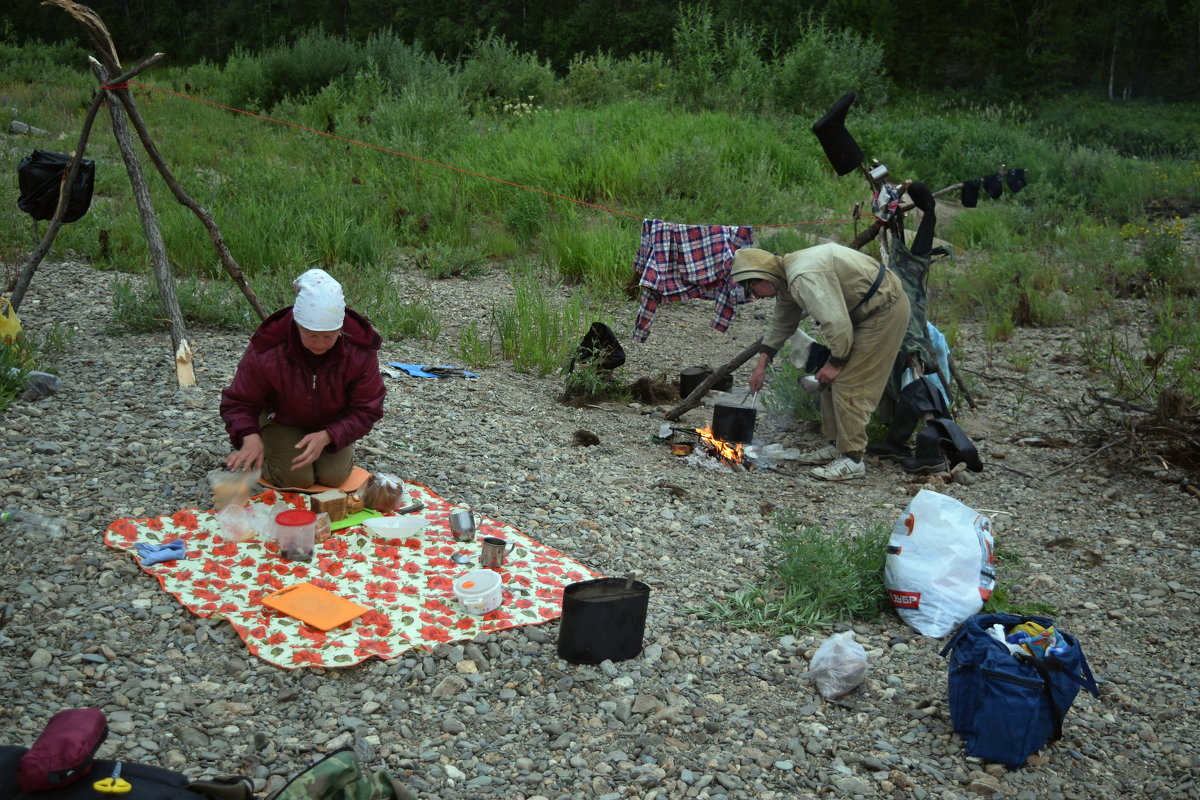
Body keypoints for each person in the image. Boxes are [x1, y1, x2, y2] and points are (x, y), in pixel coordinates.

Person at [730, 243, 910, 481]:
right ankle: (836, 444)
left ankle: (852, 459)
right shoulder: (784, 282)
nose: (754, 294)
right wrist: (760, 369)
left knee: (848, 383)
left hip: (883, 310)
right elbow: (781, 325)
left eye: (753, 286)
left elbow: (836, 323)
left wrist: (836, 363)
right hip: (861, 313)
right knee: (825, 379)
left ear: (765, 275)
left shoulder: (802, 276)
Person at [220, 269, 386, 489]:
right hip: (281, 418)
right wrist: (249, 437)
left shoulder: (359, 348)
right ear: (296, 325)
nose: (319, 344)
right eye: (310, 335)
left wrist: (329, 435)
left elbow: (368, 408)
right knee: (297, 480)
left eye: (328, 336)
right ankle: (268, 444)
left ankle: (318, 447)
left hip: (332, 421)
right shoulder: (268, 346)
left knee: (333, 478)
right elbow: (239, 401)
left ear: (341, 328)